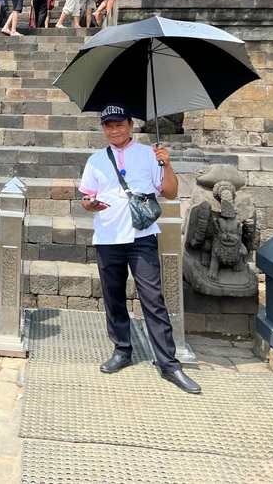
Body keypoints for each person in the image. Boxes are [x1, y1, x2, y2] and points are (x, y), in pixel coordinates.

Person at [79, 103, 202, 395]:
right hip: (108, 237)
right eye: (108, 125)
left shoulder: (150, 155)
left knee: (153, 298)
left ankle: (169, 364)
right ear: (103, 128)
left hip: (142, 236)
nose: (114, 129)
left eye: (119, 124)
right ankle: (122, 349)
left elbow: (170, 192)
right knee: (113, 297)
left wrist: (167, 163)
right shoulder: (95, 160)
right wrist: (89, 204)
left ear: (131, 125)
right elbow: (86, 198)